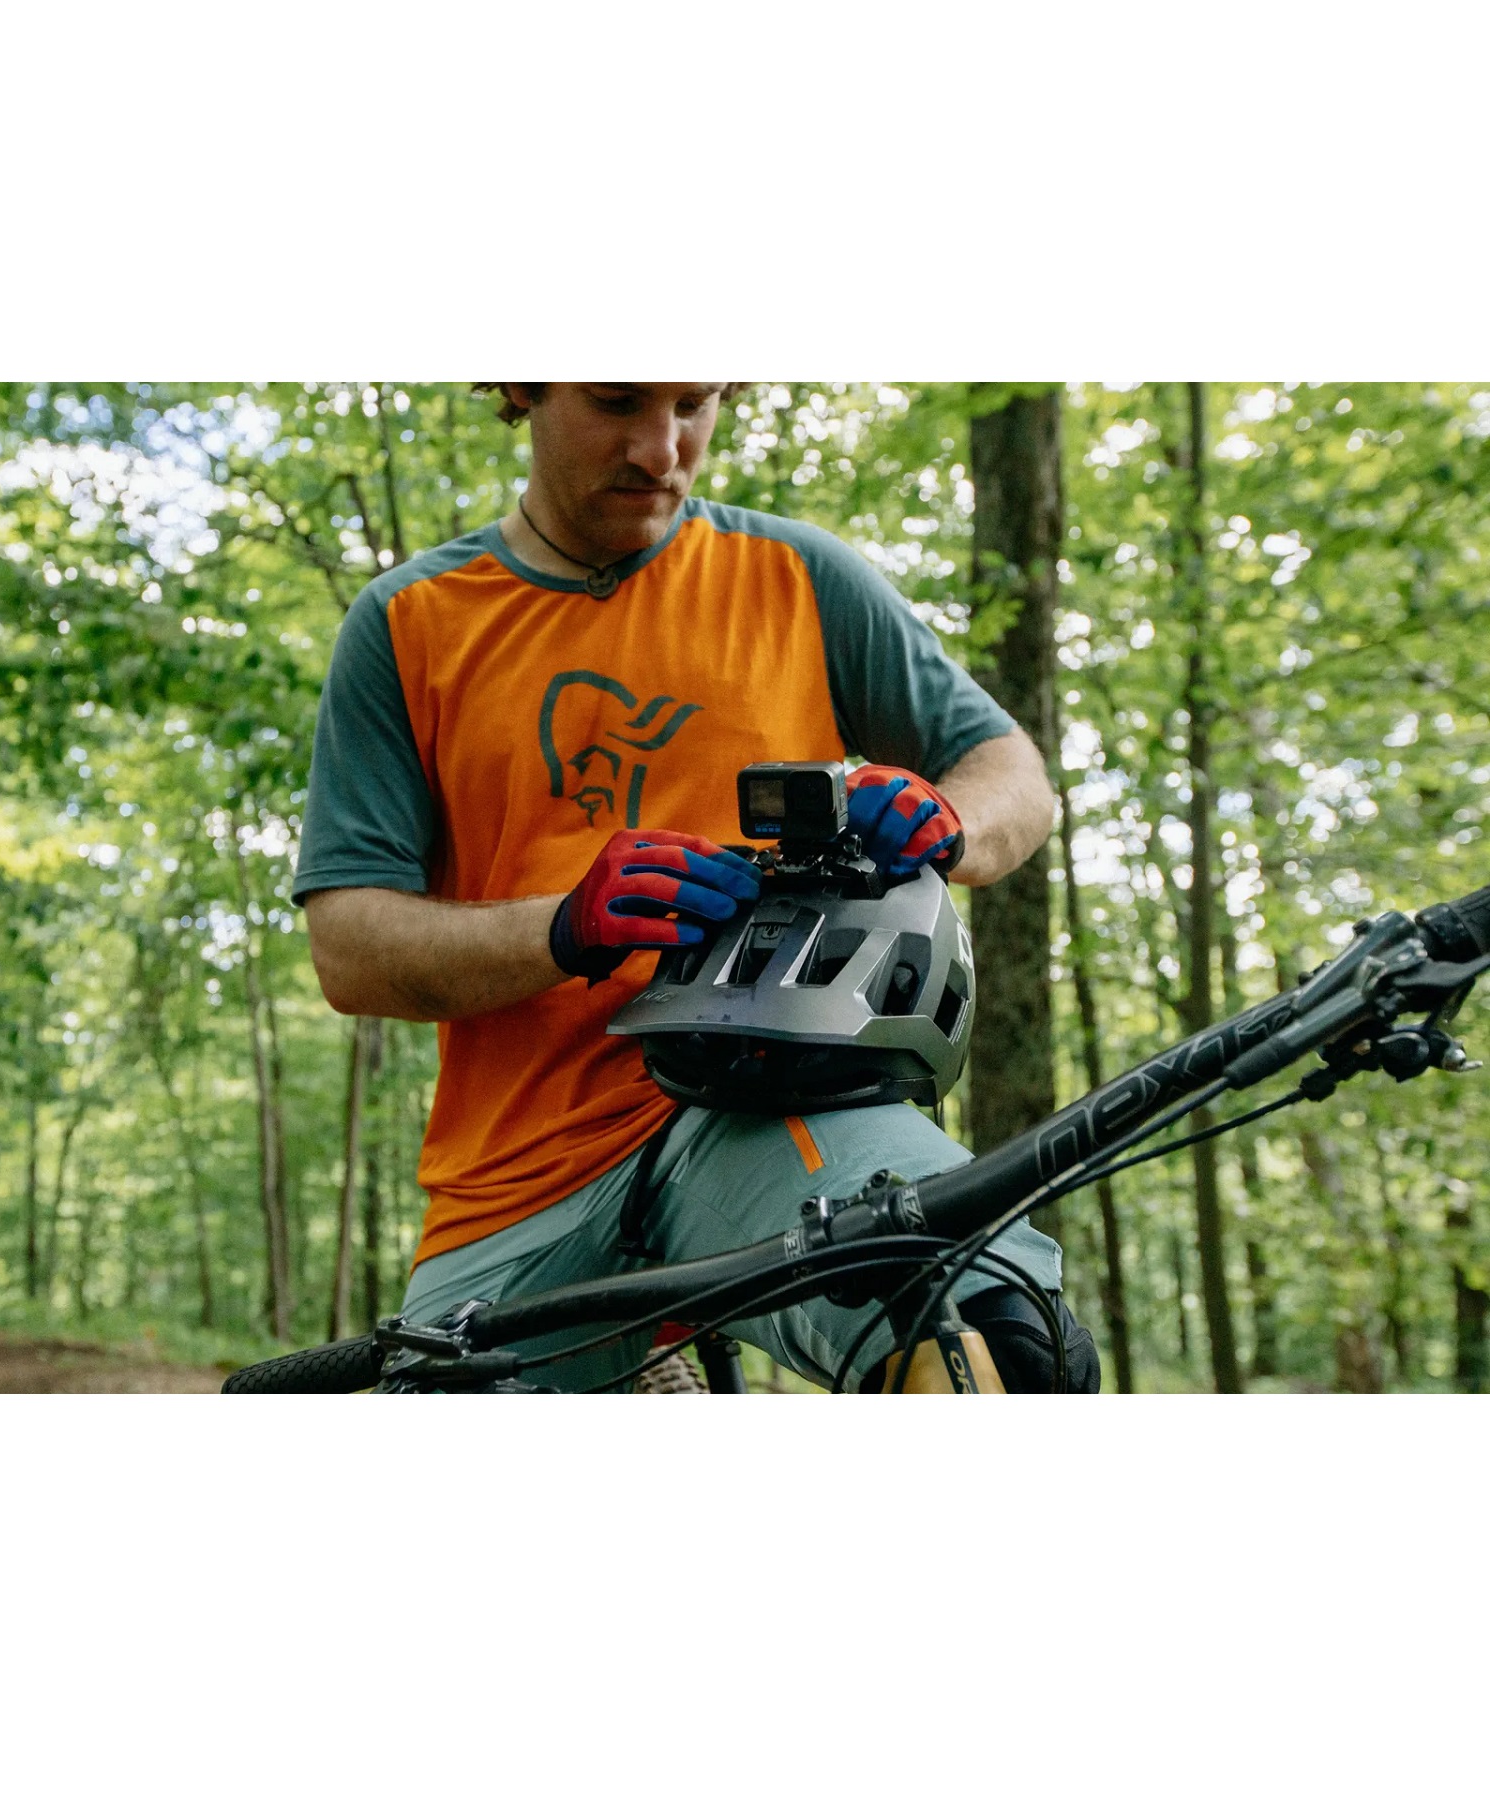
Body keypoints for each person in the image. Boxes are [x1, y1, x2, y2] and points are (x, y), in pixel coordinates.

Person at [293, 382, 1099, 1391]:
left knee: (990, 1327)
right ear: (521, 385)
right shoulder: (409, 621)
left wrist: (949, 822)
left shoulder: (797, 575)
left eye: (694, 402)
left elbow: (1014, 774)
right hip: (520, 1170)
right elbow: (350, 948)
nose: (660, 448)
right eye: (618, 401)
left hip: (778, 1099)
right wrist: (565, 927)